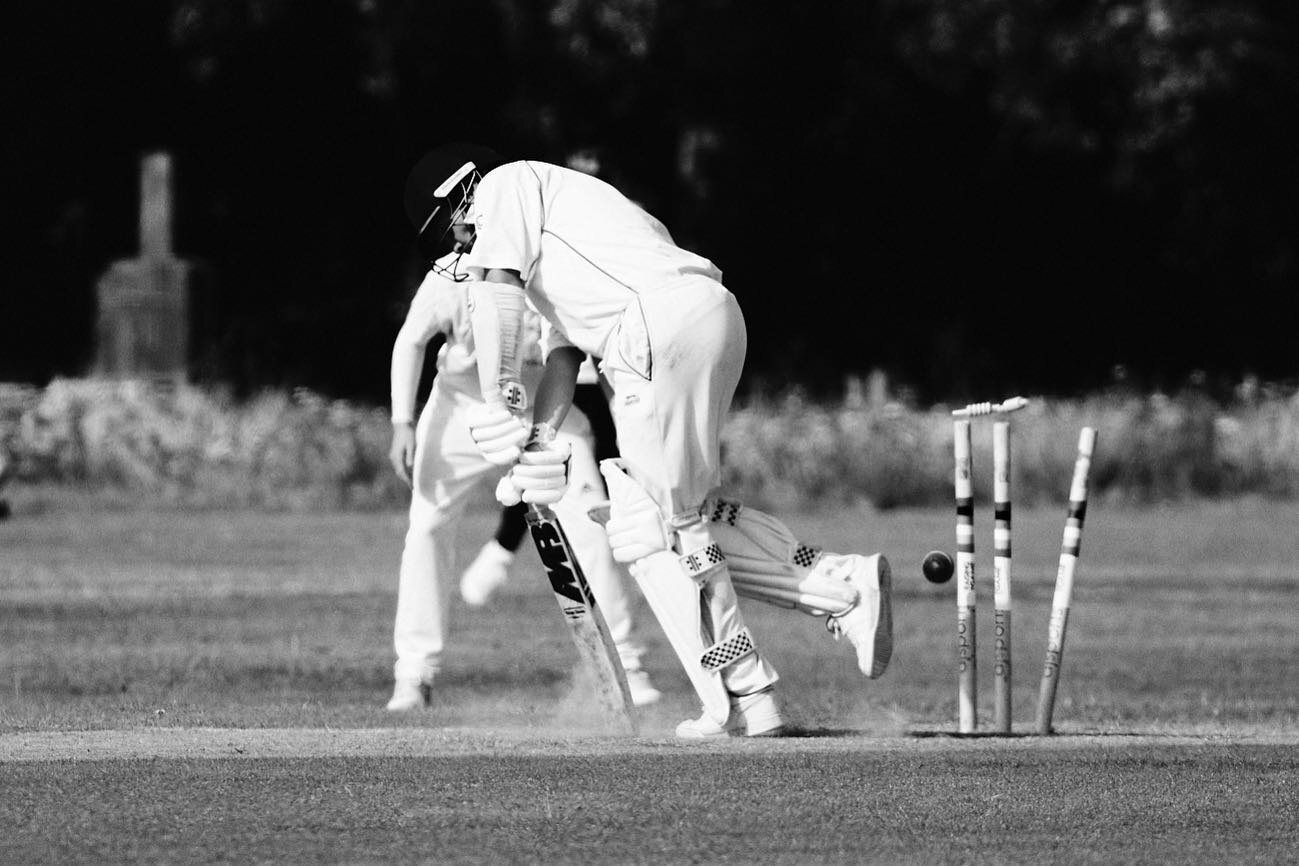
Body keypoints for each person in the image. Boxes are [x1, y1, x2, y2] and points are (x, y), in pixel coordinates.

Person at [403, 144, 892, 738]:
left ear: (457, 194)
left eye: (449, 231)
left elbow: (495, 289)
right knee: (686, 517)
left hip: (652, 331)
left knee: (642, 526)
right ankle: (807, 630)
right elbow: (563, 354)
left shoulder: (504, 186)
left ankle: (754, 675)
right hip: (710, 318)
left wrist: (500, 395)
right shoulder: (572, 223)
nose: (456, 246)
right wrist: (536, 438)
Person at [385, 249, 661, 711]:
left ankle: (626, 665)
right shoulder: (452, 273)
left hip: (547, 405)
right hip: (461, 406)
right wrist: (401, 423)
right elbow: (412, 339)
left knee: (592, 528)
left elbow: (593, 361)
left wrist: (631, 434)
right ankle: (414, 674)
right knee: (427, 527)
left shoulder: (562, 271)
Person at [458, 356, 620, 607]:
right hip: (559, 394)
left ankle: (497, 555)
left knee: (606, 500)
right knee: (547, 485)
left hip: (594, 386)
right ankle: (497, 556)